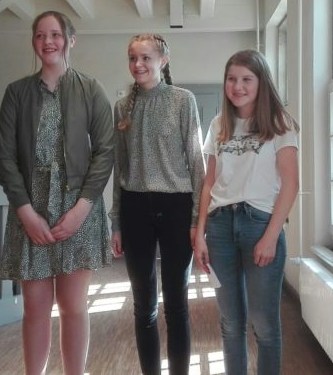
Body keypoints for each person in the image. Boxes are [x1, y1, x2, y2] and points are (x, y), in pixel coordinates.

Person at [0, 10, 114, 375]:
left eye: (55, 34)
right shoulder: (16, 93)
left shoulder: (91, 89)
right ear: (34, 42)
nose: (48, 42)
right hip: (31, 209)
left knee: (74, 306)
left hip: (79, 207)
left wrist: (81, 209)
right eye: (40, 35)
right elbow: (4, 158)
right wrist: (25, 213)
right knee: (35, 308)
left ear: (70, 40)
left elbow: (105, 152)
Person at [193, 49, 299, 375]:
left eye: (246, 79)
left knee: (265, 325)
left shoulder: (279, 123)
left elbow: (291, 184)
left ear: (261, 82)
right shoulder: (218, 124)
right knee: (230, 323)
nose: (237, 86)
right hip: (220, 227)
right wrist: (200, 234)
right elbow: (209, 183)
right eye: (231, 79)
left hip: (259, 225)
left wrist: (271, 237)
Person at [109, 33, 205, 375]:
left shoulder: (183, 100)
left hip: (177, 207)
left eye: (145, 58)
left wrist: (197, 221)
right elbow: (120, 167)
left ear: (163, 61)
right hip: (135, 208)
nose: (138, 64)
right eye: (133, 58)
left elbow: (197, 162)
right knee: (143, 306)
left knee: (176, 304)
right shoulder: (122, 107)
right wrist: (116, 222)